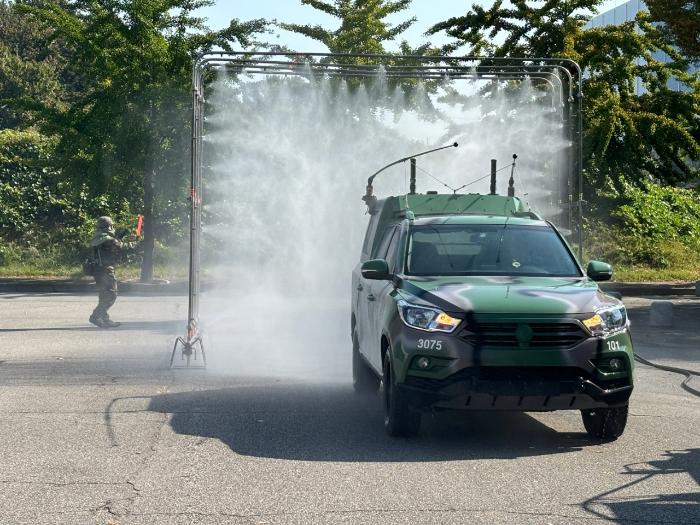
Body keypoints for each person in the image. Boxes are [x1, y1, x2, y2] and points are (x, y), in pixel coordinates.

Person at [88, 216, 137, 328]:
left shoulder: (98, 237)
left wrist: (119, 237)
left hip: (97, 270)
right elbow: (122, 247)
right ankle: (96, 316)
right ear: (108, 226)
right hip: (105, 270)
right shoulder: (108, 240)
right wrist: (136, 243)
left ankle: (104, 319)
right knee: (111, 294)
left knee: (104, 294)